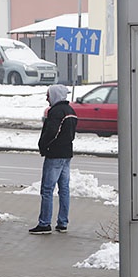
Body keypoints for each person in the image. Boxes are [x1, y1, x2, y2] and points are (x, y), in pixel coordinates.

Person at [30, 84, 78, 235]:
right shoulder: (71, 111)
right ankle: (62, 222)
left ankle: (44, 223)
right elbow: (72, 134)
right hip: (66, 154)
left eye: (48, 95)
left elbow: (51, 132)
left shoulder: (56, 112)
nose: (46, 98)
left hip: (54, 155)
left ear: (55, 95)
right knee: (64, 189)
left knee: (47, 189)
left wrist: (43, 146)